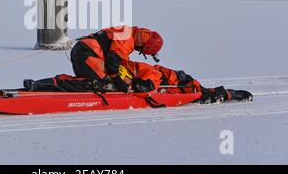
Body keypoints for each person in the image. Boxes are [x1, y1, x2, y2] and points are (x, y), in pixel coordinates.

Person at [24, 25, 252, 104]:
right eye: (143, 51)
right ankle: (44, 85)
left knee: (91, 82)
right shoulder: (128, 39)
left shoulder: (128, 36)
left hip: (85, 50)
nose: (139, 53)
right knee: (99, 82)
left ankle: (41, 86)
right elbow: (115, 62)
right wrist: (122, 82)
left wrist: (124, 80)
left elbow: (124, 65)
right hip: (87, 51)